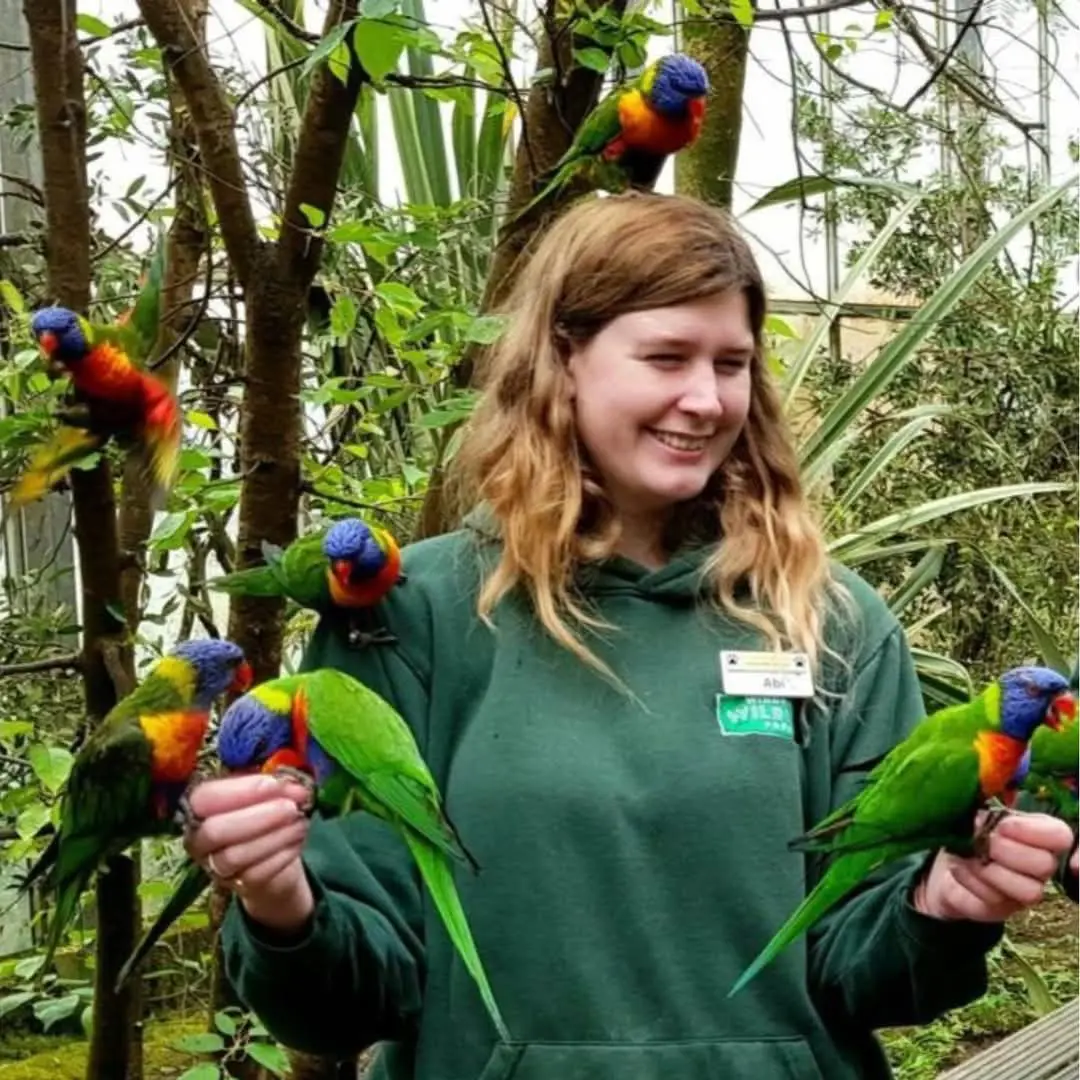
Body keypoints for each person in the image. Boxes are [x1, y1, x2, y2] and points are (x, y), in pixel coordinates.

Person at [184, 193, 1074, 1080]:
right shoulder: (411, 617)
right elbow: (347, 1002)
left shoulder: (831, 622)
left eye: (732, 363)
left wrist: (942, 904)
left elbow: (868, 973)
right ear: (563, 358)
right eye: (666, 357)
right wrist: (279, 900)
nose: (704, 398)